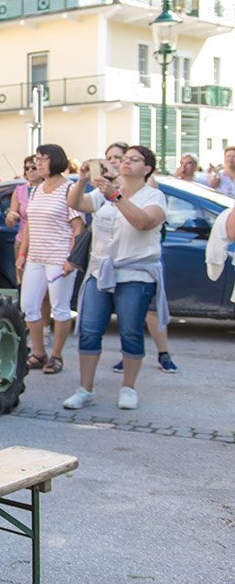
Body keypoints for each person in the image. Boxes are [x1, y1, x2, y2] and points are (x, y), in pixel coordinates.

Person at [65, 146, 167, 411]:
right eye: (125, 159)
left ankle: (128, 388)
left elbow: (143, 222)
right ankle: (85, 389)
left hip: (135, 274)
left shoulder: (154, 196)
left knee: (130, 331)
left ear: (147, 169)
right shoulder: (105, 192)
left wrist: (116, 196)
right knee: (89, 330)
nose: (126, 162)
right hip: (100, 270)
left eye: (135, 160)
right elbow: (75, 203)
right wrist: (83, 180)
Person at [103, 144, 178, 374]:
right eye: (112, 158)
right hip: (117, 260)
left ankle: (163, 353)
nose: (117, 161)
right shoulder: (112, 186)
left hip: (144, 258)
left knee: (150, 311)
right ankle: (127, 355)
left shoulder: (148, 188)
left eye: (119, 157)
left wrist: (116, 192)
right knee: (127, 317)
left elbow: (145, 219)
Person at [16, 145, 84, 375]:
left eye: (44, 159)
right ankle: (38, 353)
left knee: (60, 308)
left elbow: (78, 228)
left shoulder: (68, 189)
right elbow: (29, 224)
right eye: (37, 158)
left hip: (59, 258)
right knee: (28, 307)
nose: (38, 163)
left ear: (56, 161)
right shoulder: (36, 190)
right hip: (36, 257)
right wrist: (23, 253)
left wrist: (71, 259)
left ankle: (56, 355)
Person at [6, 155, 43, 285]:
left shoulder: (48, 189)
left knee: (42, 284)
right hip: (22, 242)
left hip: (42, 242)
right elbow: (10, 223)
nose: (30, 171)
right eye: (27, 168)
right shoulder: (19, 190)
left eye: (33, 168)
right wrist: (10, 217)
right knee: (24, 282)